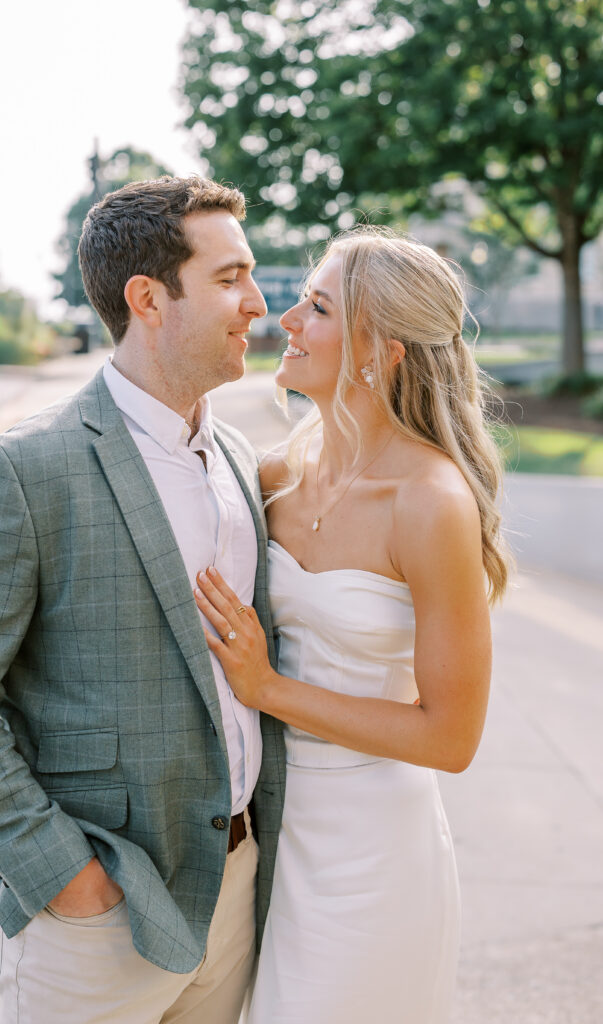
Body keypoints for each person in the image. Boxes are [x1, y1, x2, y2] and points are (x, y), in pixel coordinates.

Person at [0, 175, 286, 1024]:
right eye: (229, 278)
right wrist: (65, 876)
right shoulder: (20, 469)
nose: (257, 303)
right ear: (148, 299)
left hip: (235, 892)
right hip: (97, 918)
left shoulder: (238, 457)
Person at [193, 227, 511, 1023]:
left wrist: (269, 688)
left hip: (371, 854)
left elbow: (450, 738)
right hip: (267, 832)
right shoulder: (272, 475)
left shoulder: (429, 501)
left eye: (319, 307)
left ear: (381, 351)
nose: (286, 319)